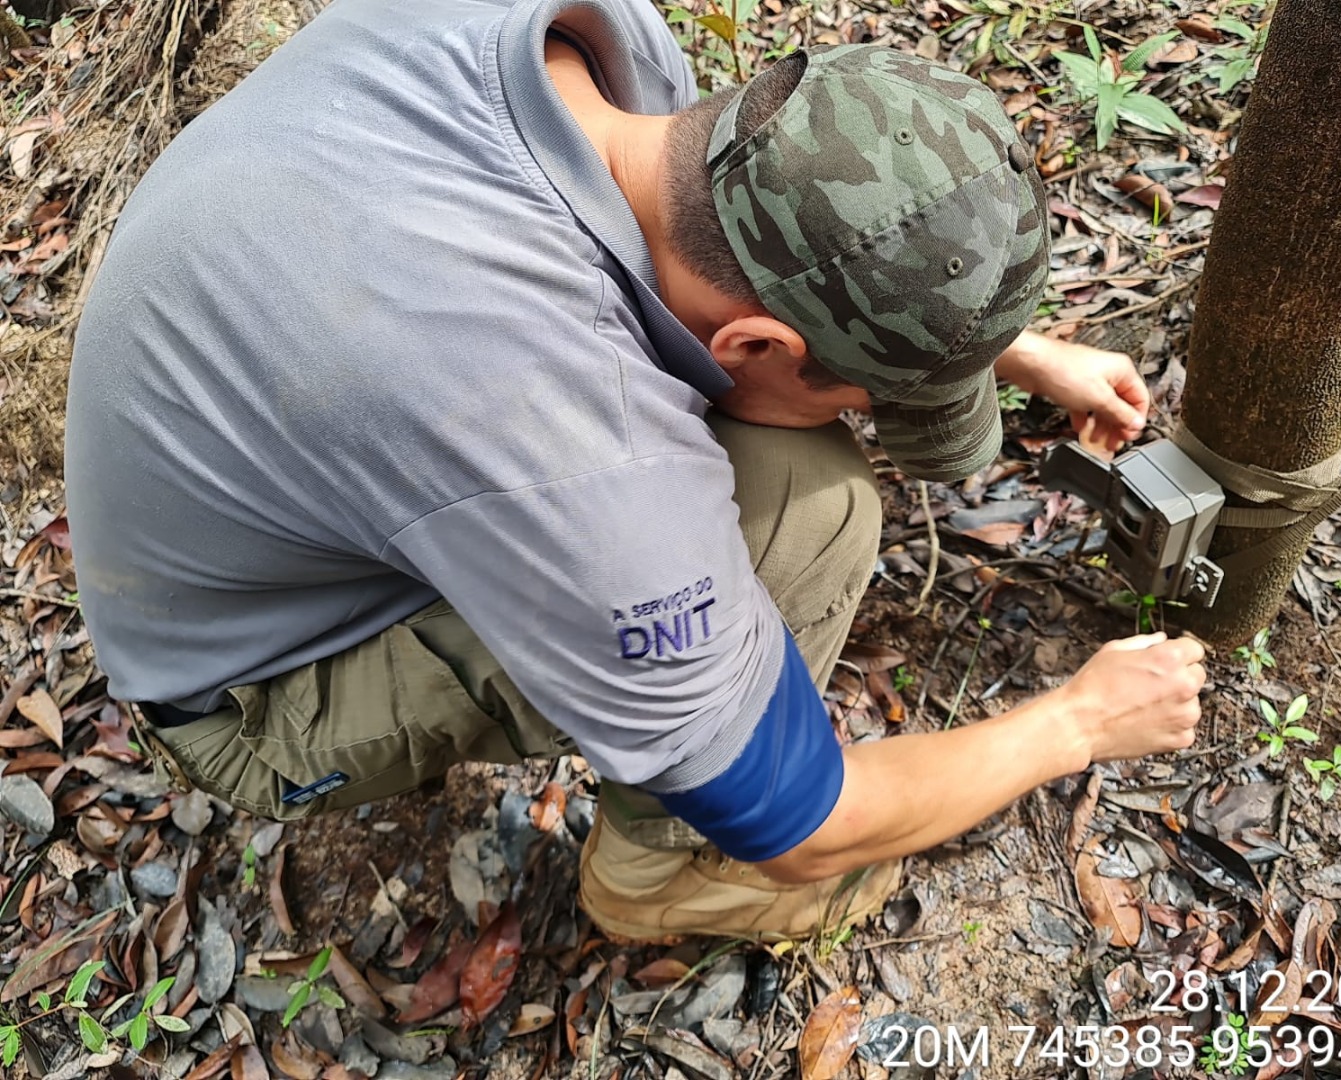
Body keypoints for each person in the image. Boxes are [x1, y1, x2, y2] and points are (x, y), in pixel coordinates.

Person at [64, 0, 1206, 943]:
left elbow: (786, 216)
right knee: (809, 500)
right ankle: (659, 878)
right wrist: (1081, 723)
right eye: (872, 397)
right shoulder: (555, 436)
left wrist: (999, 339)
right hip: (245, 689)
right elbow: (810, 822)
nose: (880, 421)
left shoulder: (594, 48)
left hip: (253, 442)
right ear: (759, 344)